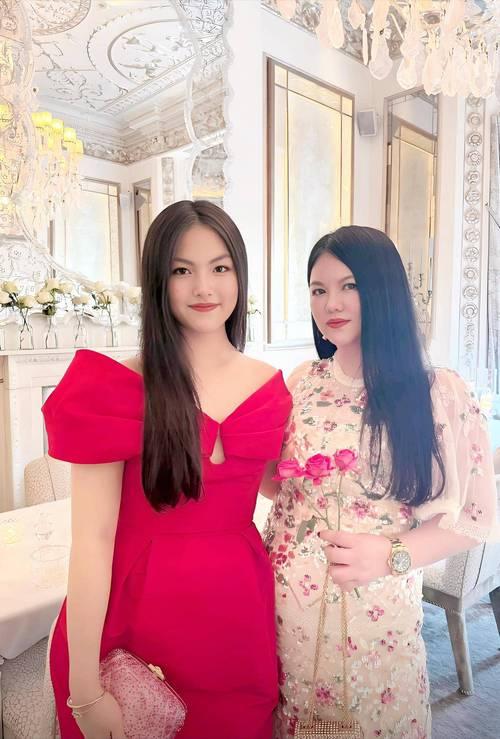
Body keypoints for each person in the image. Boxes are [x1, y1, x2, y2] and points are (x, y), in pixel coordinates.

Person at [43, 200, 292, 739]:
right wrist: (84, 690)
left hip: (237, 619)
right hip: (137, 623)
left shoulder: (272, 387)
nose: (204, 287)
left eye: (220, 267)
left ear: (240, 275)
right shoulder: (113, 388)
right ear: (158, 280)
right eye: (182, 270)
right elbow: (91, 541)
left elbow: (284, 488)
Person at [262, 226, 498, 738]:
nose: (331, 303)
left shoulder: (436, 391)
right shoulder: (300, 382)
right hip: (285, 613)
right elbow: (281, 489)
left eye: (349, 285)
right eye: (319, 289)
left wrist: (392, 554)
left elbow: (475, 519)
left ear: (383, 289)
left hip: (374, 616)